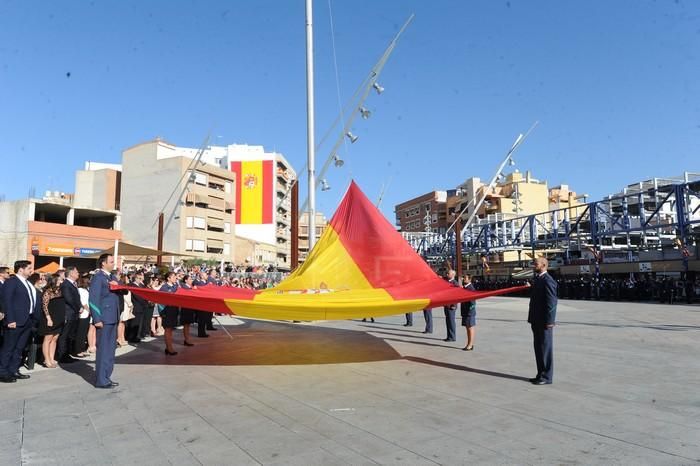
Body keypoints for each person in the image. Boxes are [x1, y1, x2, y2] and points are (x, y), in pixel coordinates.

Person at [0, 260, 39, 382]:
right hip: (15, 321)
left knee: (19, 348)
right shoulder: (11, 282)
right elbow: (7, 301)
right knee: (9, 347)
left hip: (27, 320)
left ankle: (13, 370)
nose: (31, 270)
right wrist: (10, 319)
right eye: (29, 268)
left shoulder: (27, 283)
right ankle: (2, 372)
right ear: (21, 269)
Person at [89, 254, 120, 389]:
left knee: (110, 350)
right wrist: (97, 318)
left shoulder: (112, 277)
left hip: (113, 316)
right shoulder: (98, 278)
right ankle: (101, 380)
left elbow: (122, 291)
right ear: (103, 263)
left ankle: (107, 376)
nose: (113, 263)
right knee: (103, 350)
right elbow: (93, 299)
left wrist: (118, 285)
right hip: (104, 319)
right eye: (111, 261)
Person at [528, 257, 558, 385]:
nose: (534, 265)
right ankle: (540, 373)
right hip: (536, 319)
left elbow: (552, 303)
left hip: (544, 321)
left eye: (536, 263)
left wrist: (550, 321)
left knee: (545, 348)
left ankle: (547, 376)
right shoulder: (539, 279)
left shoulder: (548, 281)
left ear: (544, 265)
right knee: (539, 348)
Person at [38, 274, 65, 368]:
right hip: (50, 318)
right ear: (54, 281)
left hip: (59, 318)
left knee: (55, 339)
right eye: (59, 280)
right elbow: (44, 306)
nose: (61, 282)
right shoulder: (48, 292)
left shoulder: (60, 291)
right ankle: (47, 360)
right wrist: (48, 318)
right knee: (48, 339)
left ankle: (51, 358)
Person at [57, 266, 81, 364]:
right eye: (76, 272)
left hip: (73, 313)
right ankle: (62, 355)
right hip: (68, 313)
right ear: (71, 273)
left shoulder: (72, 284)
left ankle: (67, 354)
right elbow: (69, 299)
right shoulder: (66, 284)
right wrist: (78, 308)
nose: (78, 273)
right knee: (65, 335)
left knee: (70, 335)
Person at [159, 272, 179, 356]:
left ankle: (168, 347)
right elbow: (162, 301)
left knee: (170, 329)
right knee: (167, 329)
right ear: (168, 278)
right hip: (167, 311)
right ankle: (169, 348)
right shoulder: (164, 288)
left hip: (174, 310)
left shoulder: (175, 286)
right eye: (174, 276)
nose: (175, 278)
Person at [178, 275, 196, 347]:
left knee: (188, 324)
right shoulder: (184, 287)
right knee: (186, 324)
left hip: (190, 308)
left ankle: (187, 339)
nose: (191, 280)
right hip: (186, 308)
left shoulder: (189, 287)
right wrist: (193, 290)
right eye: (190, 279)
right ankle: (186, 339)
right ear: (186, 280)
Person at [460, 274, 476, 351]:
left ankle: (470, 344)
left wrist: (470, 311)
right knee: (468, 328)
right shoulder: (465, 288)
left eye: (465, 278)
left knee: (470, 328)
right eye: (463, 277)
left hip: (469, 312)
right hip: (465, 311)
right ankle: (469, 344)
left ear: (469, 280)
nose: (463, 279)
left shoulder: (470, 288)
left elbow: (473, 303)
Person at [443, 269, 458, 342]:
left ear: (452, 275)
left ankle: (452, 337)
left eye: (448, 273)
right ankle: (449, 336)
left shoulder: (455, 283)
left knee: (451, 321)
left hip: (451, 306)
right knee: (448, 321)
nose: (446, 274)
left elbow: (456, 296)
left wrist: (454, 305)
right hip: (446, 304)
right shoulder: (446, 281)